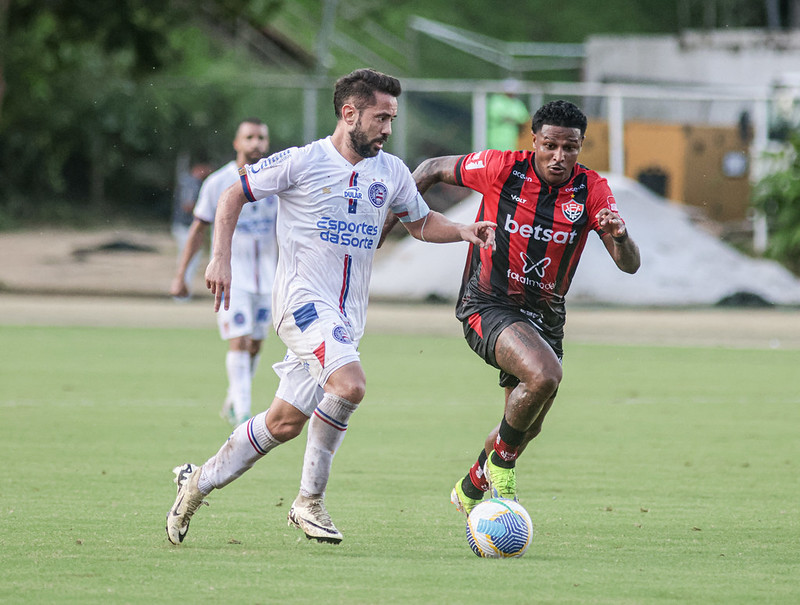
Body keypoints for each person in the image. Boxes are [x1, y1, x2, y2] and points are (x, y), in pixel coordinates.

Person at [165, 68, 496, 546]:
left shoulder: (392, 172)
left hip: (346, 319)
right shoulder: (302, 162)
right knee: (350, 384)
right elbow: (234, 191)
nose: (388, 128)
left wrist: (463, 231)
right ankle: (308, 503)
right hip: (301, 303)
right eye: (381, 118)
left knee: (283, 423)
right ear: (349, 113)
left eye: (392, 119)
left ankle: (196, 483)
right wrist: (219, 257)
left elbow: (421, 222)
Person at [397, 99, 641, 515]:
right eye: (550, 145)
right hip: (486, 302)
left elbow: (629, 266)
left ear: (581, 146)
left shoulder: (591, 190)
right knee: (544, 375)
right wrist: (390, 223)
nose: (559, 156)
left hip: (545, 316)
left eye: (570, 148)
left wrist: (619, 236)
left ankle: (473, 482)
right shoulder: (502, 168)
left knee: (528, 424)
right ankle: (502, 474)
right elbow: (431, 168)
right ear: (534, 140)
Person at [169, 118, 277, 427]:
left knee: (255, 344)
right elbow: (197, 230)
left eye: (261, 137)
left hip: (268, 278)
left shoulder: (276, 181)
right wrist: (181, 275)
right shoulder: (218, 182)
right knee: (239, 340)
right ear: (237, 143)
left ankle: (233, 398)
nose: (256, 143)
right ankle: (243, 412)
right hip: (233, 277)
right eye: (250, 137)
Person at [171, 159, 212, 299]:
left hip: (183, 225)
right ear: (199, 167)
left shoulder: (187, 181)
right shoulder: (192, 183)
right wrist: (206, 210)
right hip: (186, 226)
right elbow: (188, 205)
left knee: (189, 259)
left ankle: (182, 291)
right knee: (189, 259)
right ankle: (181, 292)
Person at [486, 78, 531, 151]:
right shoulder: (496, 101)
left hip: (511, 141)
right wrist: (514, 119)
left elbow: (524, 119)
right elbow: (497, 116)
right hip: (494, 140)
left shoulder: (517, 103)